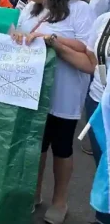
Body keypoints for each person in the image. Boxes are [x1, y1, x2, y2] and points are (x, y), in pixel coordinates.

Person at [11, 0, 95, 224]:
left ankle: (60, 201)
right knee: (36, 146)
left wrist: (53, 42)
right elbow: (19, 34)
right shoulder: (29, 8)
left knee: (61, 148)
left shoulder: (80, 10)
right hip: (31, 91)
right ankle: (33, 194)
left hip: (64, 93)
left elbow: (87, 53)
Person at [84, 12, 110, 224]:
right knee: (103, 164)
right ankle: (103, 217)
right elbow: (91, 54)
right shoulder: (103, 20)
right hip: (98, 101)